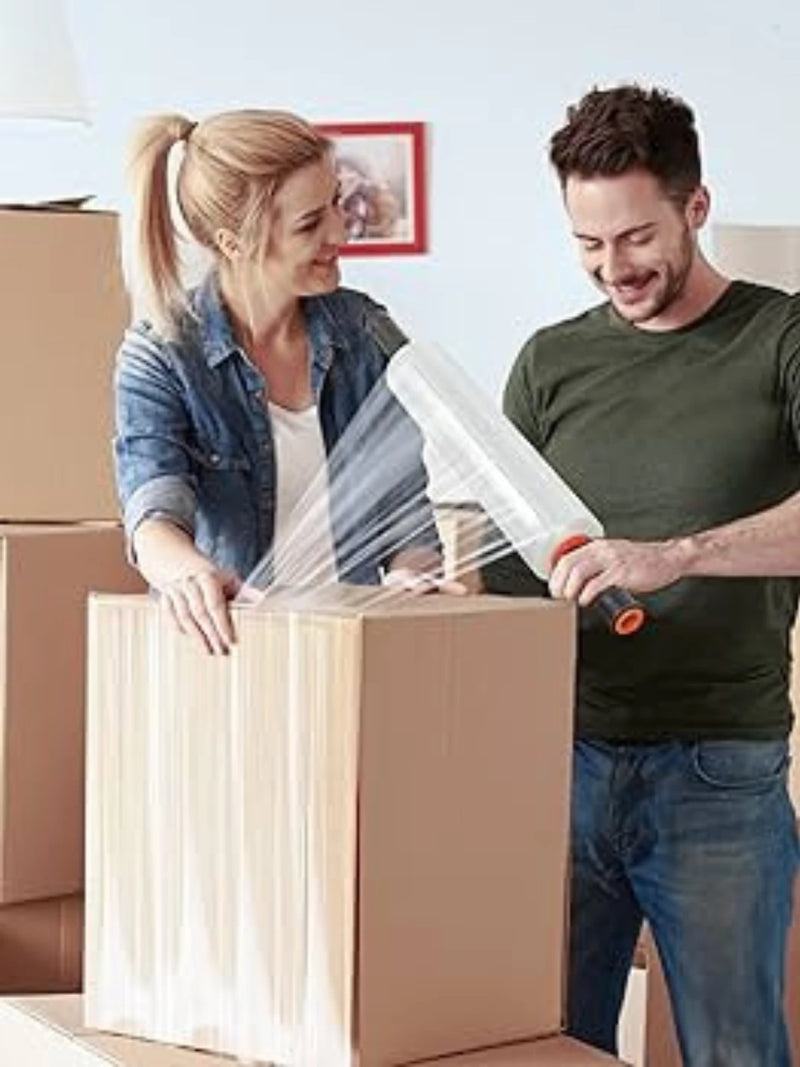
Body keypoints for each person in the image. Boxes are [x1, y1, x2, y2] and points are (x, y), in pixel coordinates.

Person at [483, 85, 800, 1066]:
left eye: (634, 237)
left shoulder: (778, 337)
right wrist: (434, 584)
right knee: (543, 1042)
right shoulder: (548, 363)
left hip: (718, 774)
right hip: (562, 765)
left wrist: (672, 554)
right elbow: (505, 570)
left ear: (692, 209)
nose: (611, 267)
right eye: (587, 242)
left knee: (732, 1048)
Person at [114, 108, 448, 656]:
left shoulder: (365, 334)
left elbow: (405, 510)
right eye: (309, 223)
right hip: (227, 651)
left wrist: (417, 577)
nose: (340, 232)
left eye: (337, 204)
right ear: (233, 242)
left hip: (349, 652)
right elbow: (153, 514)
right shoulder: (163, 357)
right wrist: (190, 575)